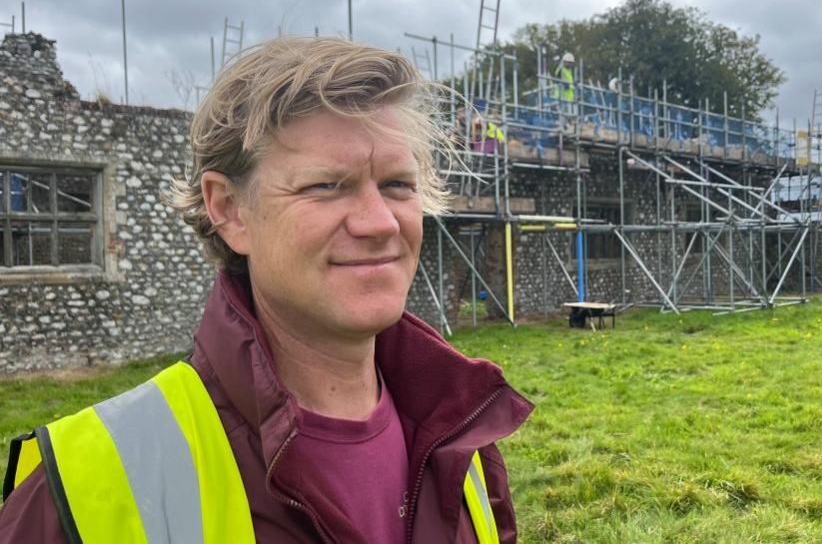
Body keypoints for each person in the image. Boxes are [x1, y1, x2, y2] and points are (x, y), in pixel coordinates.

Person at [0, 37, 534, 544]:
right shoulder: (82, 484)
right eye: (326, 186)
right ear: (228, 210)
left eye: (398, 185)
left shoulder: (460, 436)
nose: (380, 223)